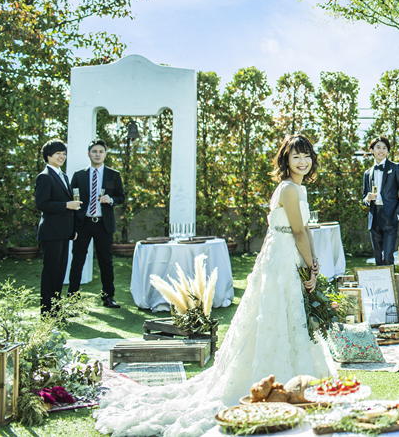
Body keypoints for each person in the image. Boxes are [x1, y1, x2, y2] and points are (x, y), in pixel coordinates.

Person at [95, 134, 335, 437]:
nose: (302, 161)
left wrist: (313, 264)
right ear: (286, 160)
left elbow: (305, 230)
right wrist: (308, 265)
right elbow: (298, 232)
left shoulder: (297, 188)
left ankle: (296, 383)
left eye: (307, 156)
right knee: (277, 313)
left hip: (288, 256)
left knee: (290, 316)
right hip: (284, 259)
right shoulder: (288, 188)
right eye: (296, 156)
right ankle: (275, 381)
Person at [69, 139, 125, 308]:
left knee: (105, 262)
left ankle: (108, 297)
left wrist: (112, 199)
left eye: (101, 151)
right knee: (77, 261)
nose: (98, 154)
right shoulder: (78, 176)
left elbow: (121, 197)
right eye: (94, 151)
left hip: (103, 224)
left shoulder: (113, 175)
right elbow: (72, 200)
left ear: (105, 154)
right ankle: (72, 298)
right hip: (83, 224)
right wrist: (72, 226)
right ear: (89, 154)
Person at [35, 139, 80, 316]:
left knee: (61, 272)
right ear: (48, 156)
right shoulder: (44, 176)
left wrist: (73, 230)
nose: (62, 156)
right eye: (57, 154)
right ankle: (47, 312)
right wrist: (66, 205)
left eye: (63, 153)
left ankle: (56, 308)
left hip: (64, 232)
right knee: (51, 272)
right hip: (51, 233)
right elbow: (42, 204)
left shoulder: (63, 176)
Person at [361, 136, 399, 266]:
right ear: (371, 150)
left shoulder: (396, 168)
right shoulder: (367, 173)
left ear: (388, 151)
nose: (381, 151)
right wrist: (367, 199)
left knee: (387, 257)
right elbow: (364, 198)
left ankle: (391, 285)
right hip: (374, 216)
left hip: (390, 216)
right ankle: (380, 285)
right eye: (378, 147)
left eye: (384, 148)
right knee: (378, 258)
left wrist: (398, 214)